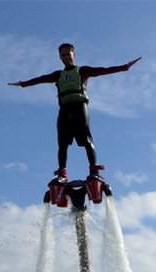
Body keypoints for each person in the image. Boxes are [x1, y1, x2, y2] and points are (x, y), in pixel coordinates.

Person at [9, 43, 141, 181]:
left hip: (79, 107)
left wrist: (125, 67)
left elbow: (104, 70)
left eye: (68, 54)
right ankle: (62, 172)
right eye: (63, 55)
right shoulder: (58, 75)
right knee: (62, 143)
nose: (66, 57)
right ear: (60, 57)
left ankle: (94, 170)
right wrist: (23, 84)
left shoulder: (82, 71)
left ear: (74, 54)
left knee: (86, 139)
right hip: (65, 109)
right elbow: (40, 79)